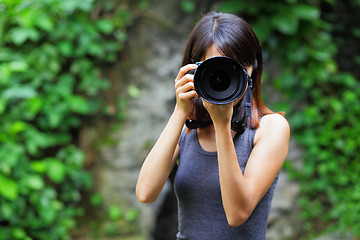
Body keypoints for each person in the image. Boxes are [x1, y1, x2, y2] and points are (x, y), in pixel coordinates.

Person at [136, 12, 290, 240]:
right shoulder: (188, 127)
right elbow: (145, 192)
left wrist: (222, 125)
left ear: (252, 70)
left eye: (235, 67)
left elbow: (237, 213)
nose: (225, 77)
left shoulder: (270, 129)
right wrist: (181, 110)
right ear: (194, 69)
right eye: (216, 68)